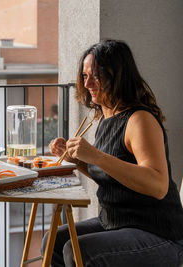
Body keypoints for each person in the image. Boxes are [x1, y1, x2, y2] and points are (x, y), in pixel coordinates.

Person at [43, 40, 183, 266]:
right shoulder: (105, 117)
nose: (87, 83)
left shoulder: (139, 120)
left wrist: (96, 156)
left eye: (96, 76)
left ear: (117, 76)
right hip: (116, 222)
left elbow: (158, 185)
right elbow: (112, 174)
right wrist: (76, 161)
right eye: (84, 75)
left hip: (159, 233)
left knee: (77, 250)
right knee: (53, 241)